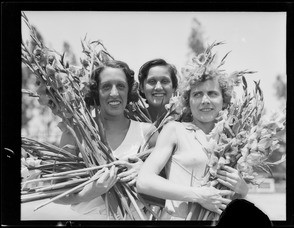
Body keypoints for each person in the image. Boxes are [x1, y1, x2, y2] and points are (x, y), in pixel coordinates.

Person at [136, 48, 249, 220]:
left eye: (212, 94)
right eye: (197, 94)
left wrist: (242, 188)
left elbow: (233, 197)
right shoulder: (175, 129)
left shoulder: (233, 139)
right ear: (187, 100)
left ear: (224, 100)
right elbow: (144, 181)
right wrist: (198, 195)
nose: (205, 100)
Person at [52, 60, 157, 219]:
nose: (114, 93)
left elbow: (168, 188)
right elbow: (56, 194)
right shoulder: (75, 132)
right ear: (96, 92)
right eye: (106, 86)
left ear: (129, 91)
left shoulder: (147, 132)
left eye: (121, 86)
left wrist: (146, 173)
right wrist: (86, 194)